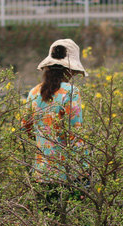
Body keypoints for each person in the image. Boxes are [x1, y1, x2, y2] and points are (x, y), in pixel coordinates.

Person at [22, 39, 88, 208]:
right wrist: (84, 172)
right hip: (68, 175)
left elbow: (26, 127)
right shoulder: (71, 92)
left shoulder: (34, 92)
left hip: (41, 174)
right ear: (71, 70)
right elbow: (75, 135)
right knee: (73, 225)